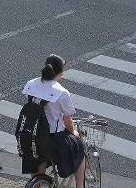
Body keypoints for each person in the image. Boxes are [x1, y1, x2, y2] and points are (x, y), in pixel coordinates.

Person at [22, 55, 86, 188]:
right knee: (79, 148)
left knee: (38, 160)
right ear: (62, 72)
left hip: (32, 134)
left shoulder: (30, 84)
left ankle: (36, 183)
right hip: (54, 137)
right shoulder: (62, 92)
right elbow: (67, 121)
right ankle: (80, 186)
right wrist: (74, 132)